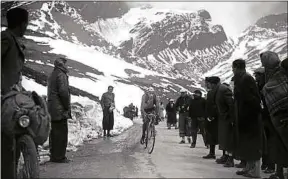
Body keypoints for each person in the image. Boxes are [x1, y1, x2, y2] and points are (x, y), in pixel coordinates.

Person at [1, 7, 29, 179]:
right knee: (6, 144)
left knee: (12, 142)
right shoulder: (6, 39)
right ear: (21, 24)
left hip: (11, 96)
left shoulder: (12, 39)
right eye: (26, 23)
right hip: (4, 98)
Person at [233, 59, 262, 178]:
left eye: (234, 68)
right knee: (247, 144)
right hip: (245, 115)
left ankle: (255, 171)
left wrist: (247, 114)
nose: (233, 70)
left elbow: (252, 99)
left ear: (238, 67)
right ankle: (248, 168)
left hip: (250, 116)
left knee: (252, 144)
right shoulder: (242, 79)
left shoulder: (246, 79)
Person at [261, 52, 288, 179]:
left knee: (281, 144)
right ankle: (279, 172)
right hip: (276, 115)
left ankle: (279, 172)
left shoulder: (280, 71)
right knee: (280, 145)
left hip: (279, 114)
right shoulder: (276, 73)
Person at [47, 57, 72, 163]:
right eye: (65, 63)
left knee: (54, 133)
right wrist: (67, 107)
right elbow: (63, 92)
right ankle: (60, 157)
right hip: (60, 109)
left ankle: (54, 155)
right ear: (61, 64)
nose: (66, 65)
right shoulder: (61, 75)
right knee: (61, 134)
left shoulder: (53, 74)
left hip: (52, 108)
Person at [208, 76, 235, 167]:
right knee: (224, 138)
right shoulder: (218, 90)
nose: (209, 86)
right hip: (222, 118)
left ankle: (230, 159)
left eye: (210, 84)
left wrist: (229, 116)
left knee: (229, 139)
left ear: (213, 84)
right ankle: (226, 156)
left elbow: (230, 104)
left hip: (227, 118)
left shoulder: (223, 90)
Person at [254, 67, 275, 174]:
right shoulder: (258, 86)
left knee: (271, 141)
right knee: (264, 141)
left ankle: (271, 165)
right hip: (262, 117)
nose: (256, 77)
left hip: (270, 117)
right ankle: (266, 162)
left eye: (257, 75)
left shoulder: (269, 86)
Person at [203, 77, 219, 159]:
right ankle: (212, 152)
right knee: (211, 135)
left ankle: (214, 153)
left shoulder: (214, 92)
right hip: (210, 117)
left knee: (214, 135)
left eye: (207, 83)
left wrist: (211, 116)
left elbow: (214, 105)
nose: (206, 85)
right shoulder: (211, 92)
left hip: (212, 118)